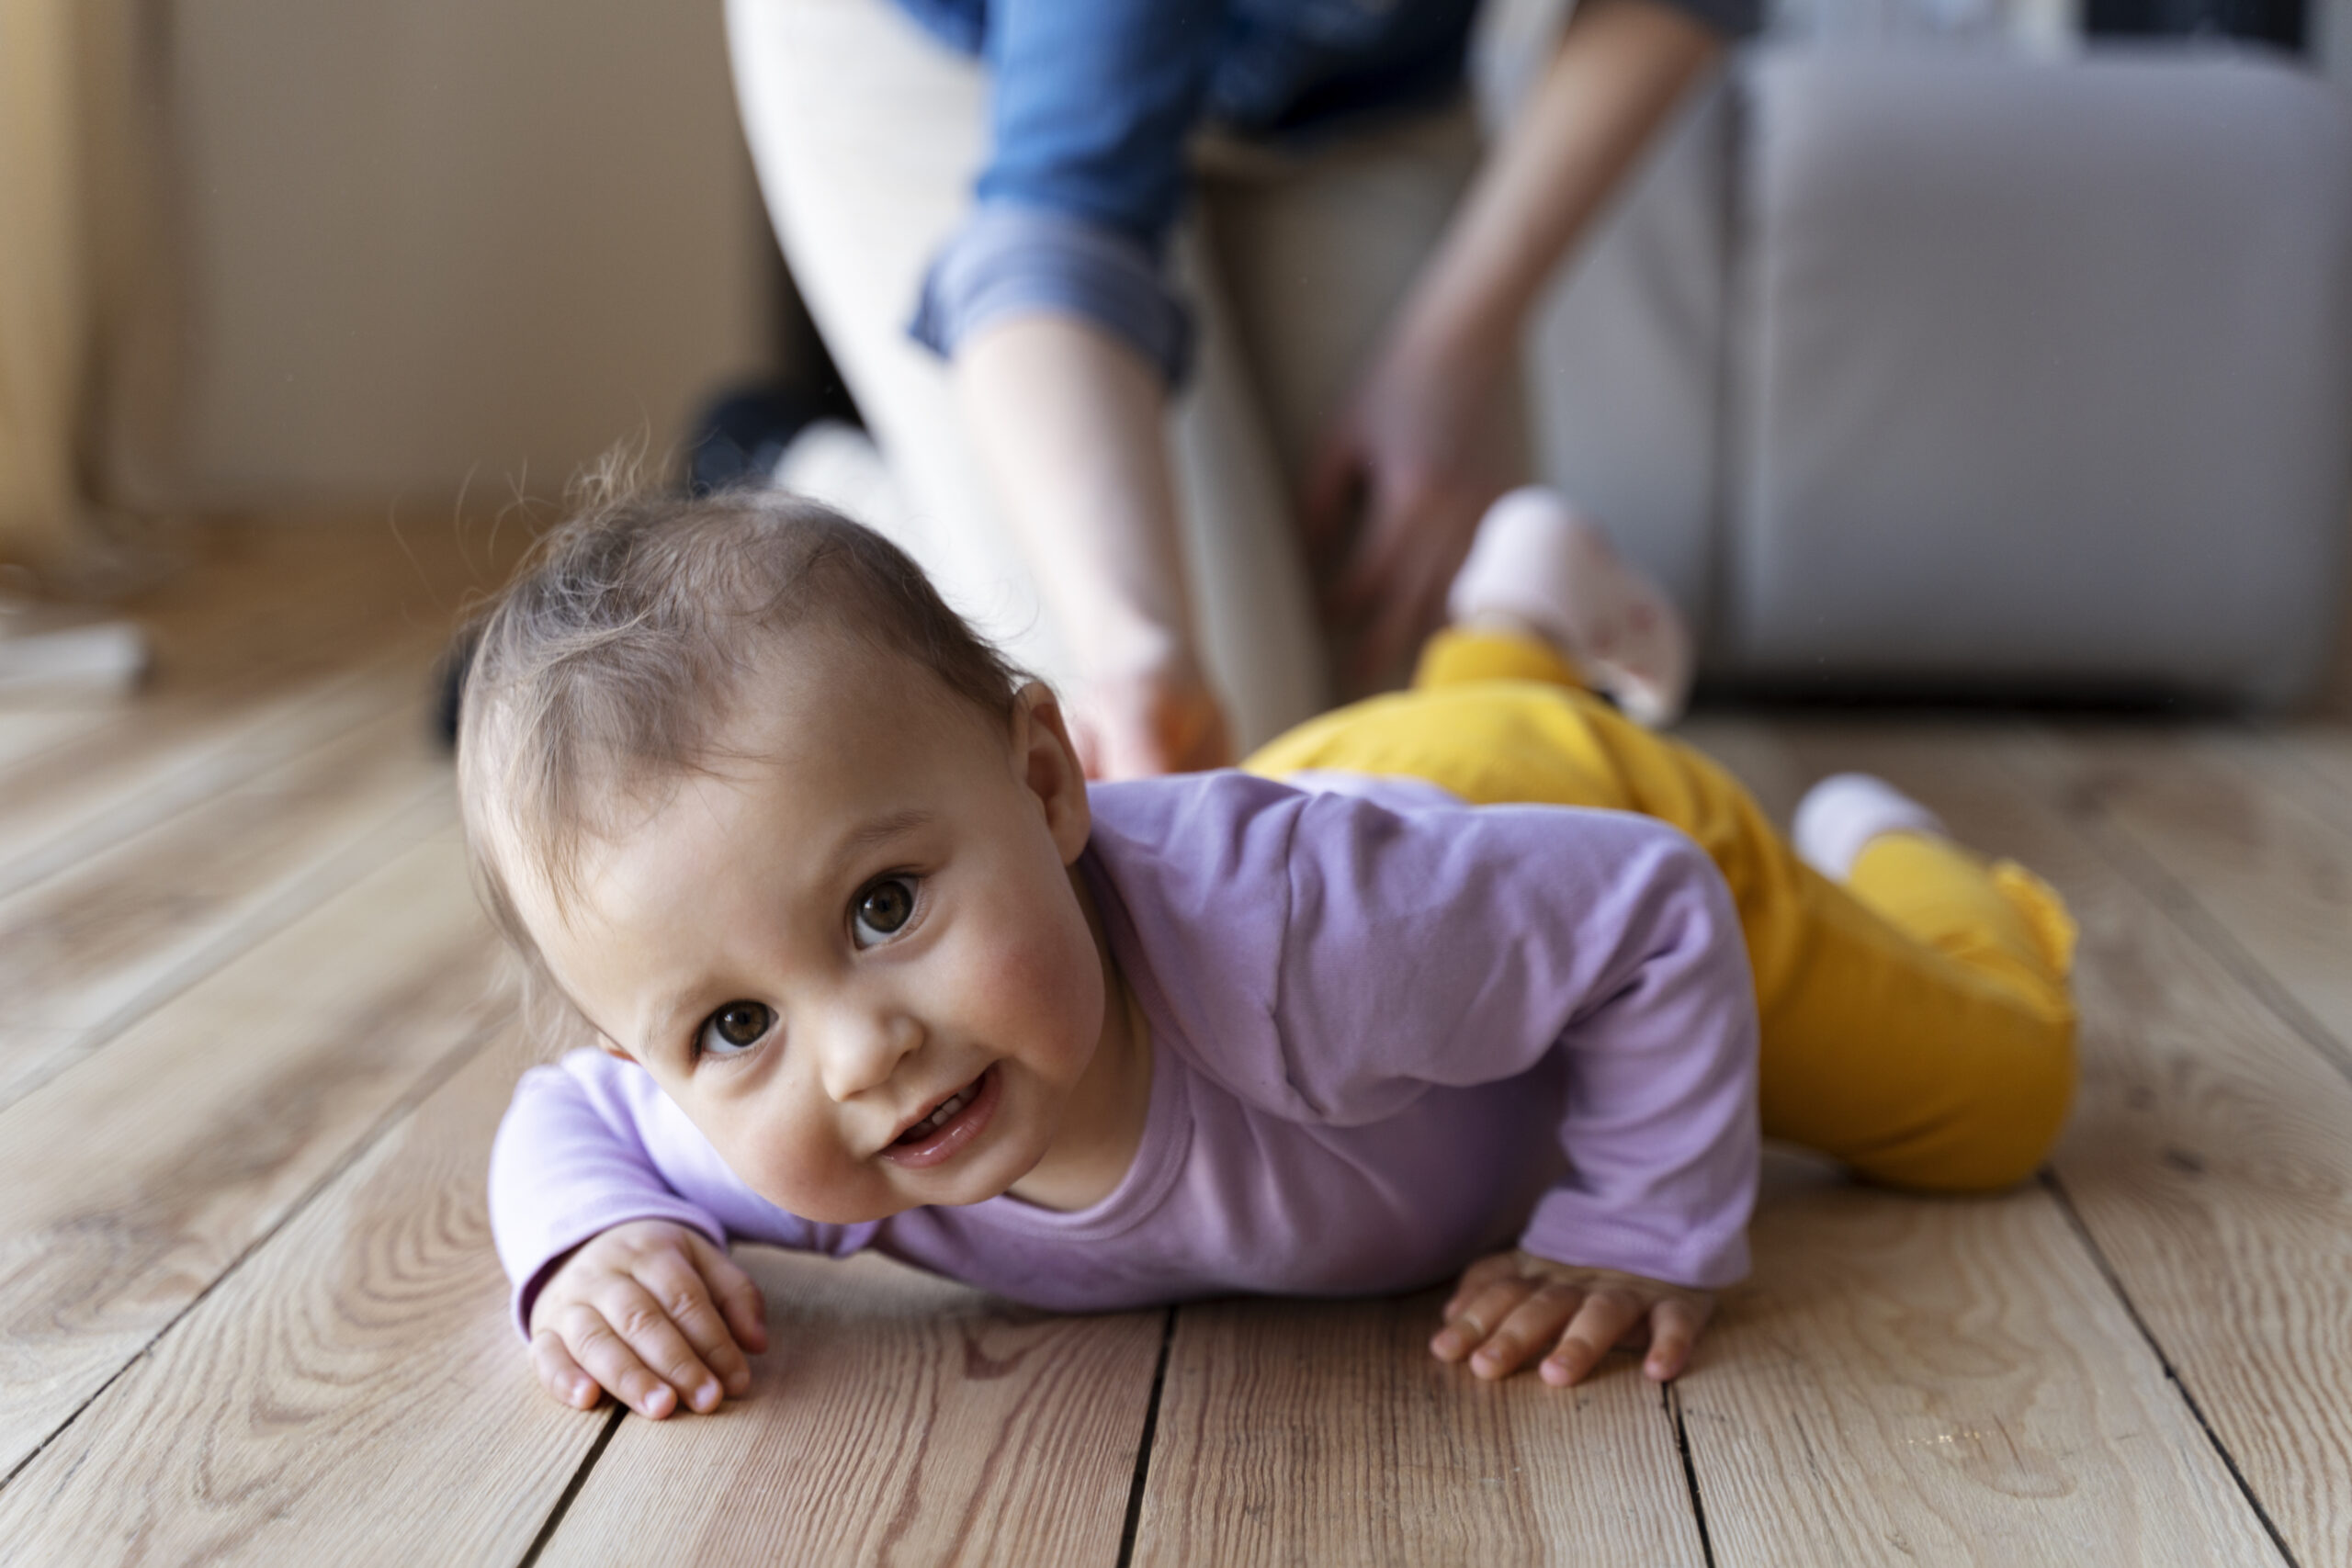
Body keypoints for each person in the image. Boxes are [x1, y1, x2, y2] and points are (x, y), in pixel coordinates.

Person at [462, 483, 2076, 1421]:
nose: (857, 1050)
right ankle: (1515, 601)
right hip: (1387, 812)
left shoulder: (1311, 944)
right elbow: (569, 1121)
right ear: (656, 1055)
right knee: (1425, 795)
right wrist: (590, 1248)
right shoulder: (785, 1126)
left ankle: (1897, 859)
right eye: (731, 1022)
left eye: (886, 907)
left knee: (1996, 1097)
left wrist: (1640, 1222)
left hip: (1560, 832)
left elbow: (1651, 908)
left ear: (1047, 781)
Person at [727, 0, 1737, 778]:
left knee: (1438, 746)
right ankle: (782, 465)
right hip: (957, 60)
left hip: (1356, 95)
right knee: (1228, 733)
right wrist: (1136, 649)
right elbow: (1062, 229)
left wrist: (1442, 361)